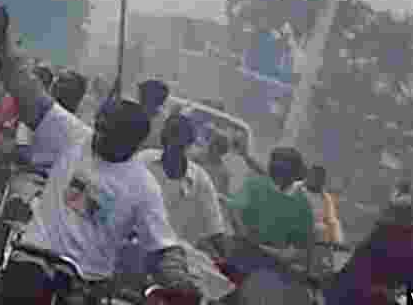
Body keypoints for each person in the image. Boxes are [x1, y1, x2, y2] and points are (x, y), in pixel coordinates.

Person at [0, 6, 199, 303]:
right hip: (33, 262)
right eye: (97, 127)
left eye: (106, 132)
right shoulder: (73, 135)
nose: (96, 136)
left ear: (130, 143)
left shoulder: (142, 185)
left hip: (83, 286)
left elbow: (164, 247)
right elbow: (26, 89)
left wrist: (179, 279)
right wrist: (2, 40)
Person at [134, 114, 234, 301]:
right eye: (172, 137)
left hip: (174, 254)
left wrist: (228, 262)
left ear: (189, 143)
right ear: (164, 138)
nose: (175, 144)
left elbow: (215, 228)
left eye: (181, 140)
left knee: (198, 291)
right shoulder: (143, 161)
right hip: (133, 240)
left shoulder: (200, 179)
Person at [224, 146, 314, 299]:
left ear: (295, 173)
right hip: (240, 253)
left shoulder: (302, 205)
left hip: (271, 266)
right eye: (275, 164)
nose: (277, 169)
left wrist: (286, 255)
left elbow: (301, 245)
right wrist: (243, 232)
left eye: (284, 167)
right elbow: (235, 210)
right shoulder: (255, 185)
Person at [196, 131, 233, 198]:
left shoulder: (223, 172)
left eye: (219, 150)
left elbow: (223, 194)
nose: (214, 151)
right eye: (213, 147)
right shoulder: (198, 159)